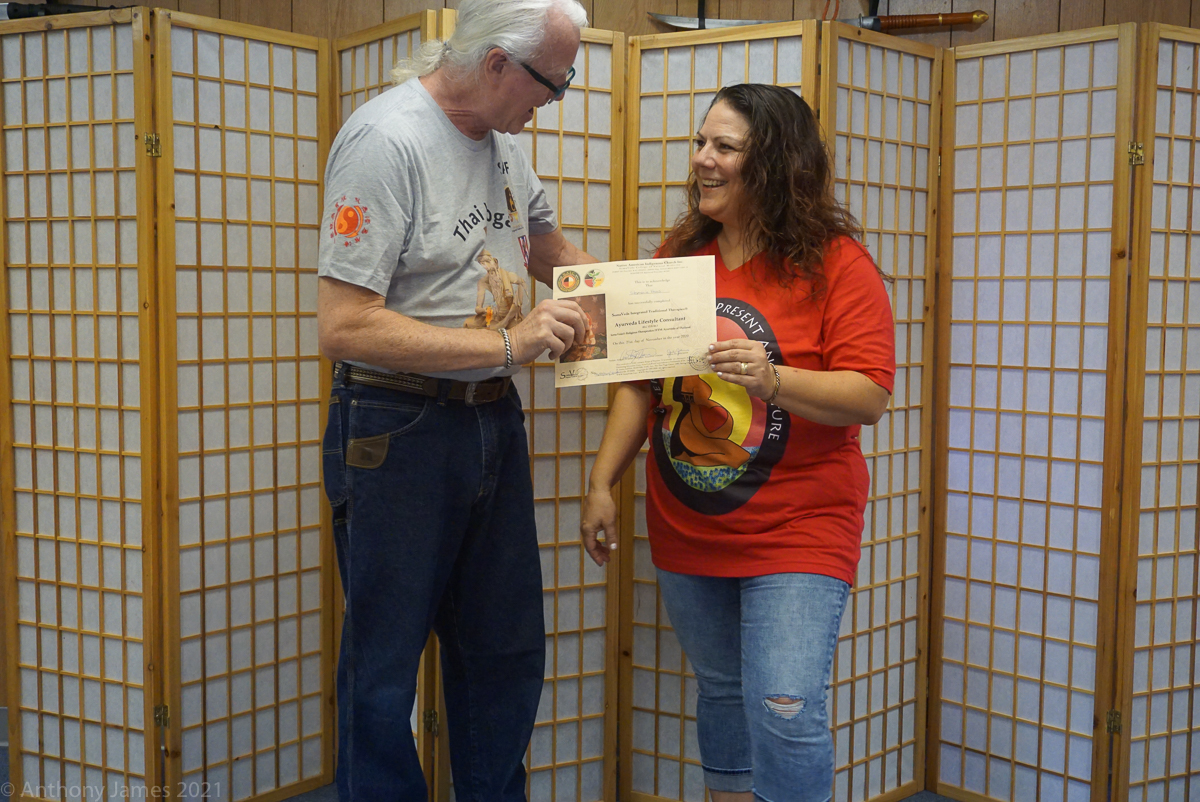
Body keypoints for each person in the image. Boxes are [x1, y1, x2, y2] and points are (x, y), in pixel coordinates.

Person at [581, 84, 895, 802]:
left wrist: (772, 378)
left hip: (800, 524)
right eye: (701, 143)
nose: (702, 159)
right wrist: (602, 482)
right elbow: (640, 384)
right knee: (722, 690)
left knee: (785, 704)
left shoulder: (838, 264)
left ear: (777, 163)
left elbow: (870, 395)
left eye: (724, 147)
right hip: (689, 525)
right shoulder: (680, 256)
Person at [316, 1, 597, 799]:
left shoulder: (504, 141)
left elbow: (544, 245)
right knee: (384, 668)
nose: (557, 99)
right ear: (497, 63)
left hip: (490, 420)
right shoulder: (386, 141)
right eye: (553, 81)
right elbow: (344, 326)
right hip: (398, 426)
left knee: (504, 649)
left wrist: (633, 302)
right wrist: (513, 345)